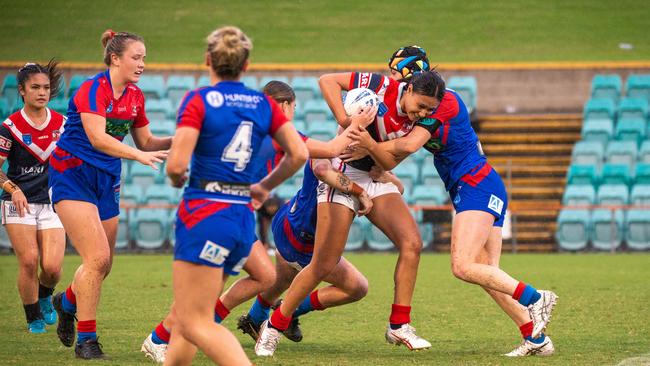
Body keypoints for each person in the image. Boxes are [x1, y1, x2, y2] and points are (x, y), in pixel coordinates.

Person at [141, 79, 375, 364]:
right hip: (217, 214)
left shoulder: (239, 124)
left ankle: (202, 327)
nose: (292, 113)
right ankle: (160, 338)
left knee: (264, 276)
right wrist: (357, 122)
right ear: (283, 105)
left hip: (231, 214)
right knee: (203, 289)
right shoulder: (277, 131)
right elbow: (329, 150)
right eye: (292, 107)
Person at [347, 67, 558, 357]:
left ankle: (536, 297)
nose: (396, 81)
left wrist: (369, 145)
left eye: (399, 75)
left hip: (476, 184)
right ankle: (536, 339)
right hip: (480, 184)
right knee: (486, 274)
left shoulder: (443, 101)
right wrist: (384, 166)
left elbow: (407, 145)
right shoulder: (424, 109)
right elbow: (398, 150)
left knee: (462, 266)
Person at [255, 70, 444, 357]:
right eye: (421, 106)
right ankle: (274, 325)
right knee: (323, 263)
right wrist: (346, 122)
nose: (423, 113)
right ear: (407, 90)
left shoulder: (423, 121)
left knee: (412, 243)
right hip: (342, 171)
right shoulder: (380, 86)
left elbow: (389, 159)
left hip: (373, 174)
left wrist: (375, 155)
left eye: (430, 109)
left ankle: (399, 325)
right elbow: (326, 80)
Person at [161, 27, 308, 366]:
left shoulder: (199, 99)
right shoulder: (261, 103)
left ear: (208, 60)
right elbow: (298, 154)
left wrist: (174, 176)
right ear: (247, 64)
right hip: (241, 215)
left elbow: (176, 164)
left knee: (195, 321)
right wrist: (264, 186)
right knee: (187, 318)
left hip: (205, 212)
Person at [49, 30, 171, 359]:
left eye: (144, 57)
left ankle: (67, 301)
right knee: (97, 260)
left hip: (106, 180)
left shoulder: (135, 96)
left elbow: (147, 142)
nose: (142, 63)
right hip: (72, 175)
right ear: (115, 58)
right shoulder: (92, 88)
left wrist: (185, 137)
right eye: (136, 57)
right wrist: (138, 157)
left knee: (104, 266)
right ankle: (86, 341)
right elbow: (98, 138)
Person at [0, 61, 66, 334]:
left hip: (53, 203)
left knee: (51, 267)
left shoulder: (63, 124)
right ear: (22, 91)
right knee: (28, 260)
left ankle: (44, 294)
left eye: (46, 87)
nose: (42, 92)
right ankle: (32, 316)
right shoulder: (9, 127)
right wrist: (13, 190)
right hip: (20, 203)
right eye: (35, 87)